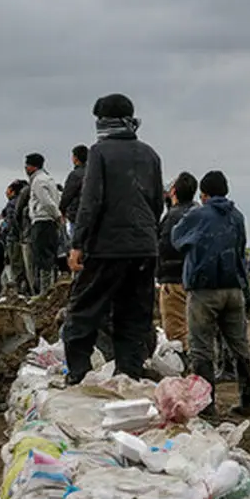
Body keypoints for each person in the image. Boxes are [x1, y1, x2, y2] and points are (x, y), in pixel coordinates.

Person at [64, 93, 164, 384]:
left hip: (108, 248)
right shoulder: (150, 154)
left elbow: (91, 202)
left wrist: (77, 245)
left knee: (84, 310)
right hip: (145, 248)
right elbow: (157, 203)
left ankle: (78, 374)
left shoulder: (100, 152)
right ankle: (129, 375)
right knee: (134, 314)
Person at [171, 171, 250, 419]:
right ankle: (247, 400)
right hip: (233, 289)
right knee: (240, 346)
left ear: (203, 194)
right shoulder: (237, 216)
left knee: (201, 349)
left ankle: (207, 406)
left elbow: (177, 239)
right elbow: (241, 251)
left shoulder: (197, 215)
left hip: (203, 290)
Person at [157, 172, 197, 352]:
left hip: (173, 278)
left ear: (173, 192)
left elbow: (164, 247)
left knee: (175, 330)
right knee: (193, 326)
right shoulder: (197, 212)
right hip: (194, 277)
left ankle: (184, 366)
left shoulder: (172, 217)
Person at [26, 153, 62, 293]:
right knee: (50, 257)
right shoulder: (49, 179)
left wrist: (57, 215)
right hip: (49, 222)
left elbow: (46, 201)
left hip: (42, 221)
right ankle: (51, 290)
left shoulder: (38, 181)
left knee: (42, 258)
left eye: (27, 165)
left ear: (32, 166)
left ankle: (45, 292)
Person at [59, 145, 88, 236]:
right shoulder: (93, 172)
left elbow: (67, 195)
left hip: (76, 215)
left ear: (75, 158)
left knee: (76, 243)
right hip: (92, 215)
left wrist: (61, 210)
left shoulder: (75, 175)